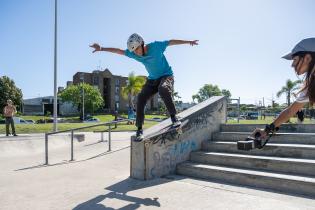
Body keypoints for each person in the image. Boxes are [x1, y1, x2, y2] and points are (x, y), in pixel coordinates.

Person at [90, 33, 198, 141]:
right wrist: (101, 48)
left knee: (163, 89)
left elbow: (171, 42)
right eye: (134, 51)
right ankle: (139, 129)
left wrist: (188, 42)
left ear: (142, 44)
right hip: (152, 80)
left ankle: (174, 118)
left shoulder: (156, 46)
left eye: (137, 49)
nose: (136, 53)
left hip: (166, 76)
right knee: (141, 98)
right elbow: (119, 51)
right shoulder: (134, 54)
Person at [252, 38, 315, 139]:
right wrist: (267, 130)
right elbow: (290, 111)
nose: (292, 65)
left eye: (295, 60)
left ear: (307, 58)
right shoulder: (310, 85)